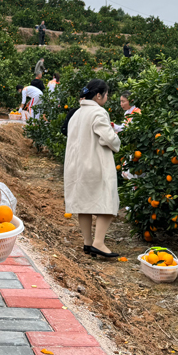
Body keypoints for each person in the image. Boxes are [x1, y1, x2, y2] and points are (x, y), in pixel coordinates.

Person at [64, 79, 121, 259]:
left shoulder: (76, 113)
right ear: (98, 95)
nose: (106, 98)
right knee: (108, 203)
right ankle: (99, 242)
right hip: (95, 164)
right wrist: (115, 139)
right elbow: (108, 138)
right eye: (106, 95)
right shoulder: (98, 112)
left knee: (84, 204)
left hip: (77, 165)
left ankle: (88, 242)